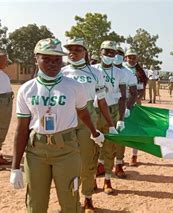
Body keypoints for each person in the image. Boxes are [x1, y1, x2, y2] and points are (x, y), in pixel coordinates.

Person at [9, 38, 105, 213]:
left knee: (70, 203)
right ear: (36, 59)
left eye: (57, 60)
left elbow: (83, 112)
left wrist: (94, 132)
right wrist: (15, 167)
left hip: (67, 150)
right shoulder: (27, 89)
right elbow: (21, 129)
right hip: (36, 150)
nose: (53, 64)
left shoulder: (75, 87)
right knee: (35, 204)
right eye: (46, 59)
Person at [61, 37, 118, 211]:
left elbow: (101, 102)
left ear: (85, 52)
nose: (73, 52)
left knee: (88, 162)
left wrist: (111, 124)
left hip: (88, 121)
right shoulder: (61, 72)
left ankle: (87, 198)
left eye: (77, 49)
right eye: (70, 49)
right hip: (66, 121)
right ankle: (70, 201)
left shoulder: (95, 73)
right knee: (66, 163)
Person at [93, 41, 131, 193]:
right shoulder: (92, 70)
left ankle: (107, 180)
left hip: (113, 110)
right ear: (100, 51)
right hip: (95, 110)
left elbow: (123, 97)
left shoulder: (120, 73)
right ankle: (92, 180)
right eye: (106, 51)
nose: (109, 55)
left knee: (109, 147)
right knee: (92, 147)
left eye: (112, 53)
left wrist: (121, 117)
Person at [122, 49, 141, 167]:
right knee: (120, 130)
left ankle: (134, 156)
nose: (132, 60)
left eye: (134, 57)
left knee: (135, 131)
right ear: (125, 58)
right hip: (120, 103)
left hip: (135, 104)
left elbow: (143, 86)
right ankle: (120, 158)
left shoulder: (140, 72)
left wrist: (138, 98)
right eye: (130, 57)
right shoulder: (120, 69)